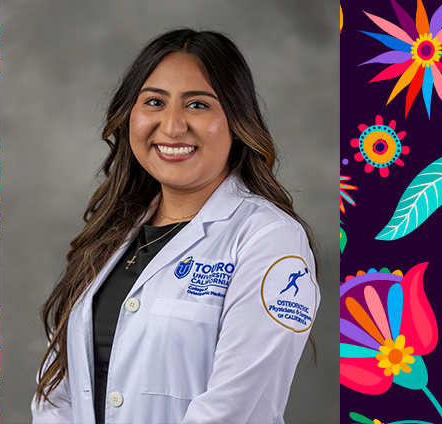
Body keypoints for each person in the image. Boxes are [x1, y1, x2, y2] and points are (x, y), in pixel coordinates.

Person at [31, 28, 321, 424]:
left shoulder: (270, 239)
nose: (171, 126)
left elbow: (232, 409)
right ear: (129, 115)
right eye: (154, 102)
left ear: (236, 120)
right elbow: (55, 396)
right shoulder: (108, 237)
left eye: (198, 105)